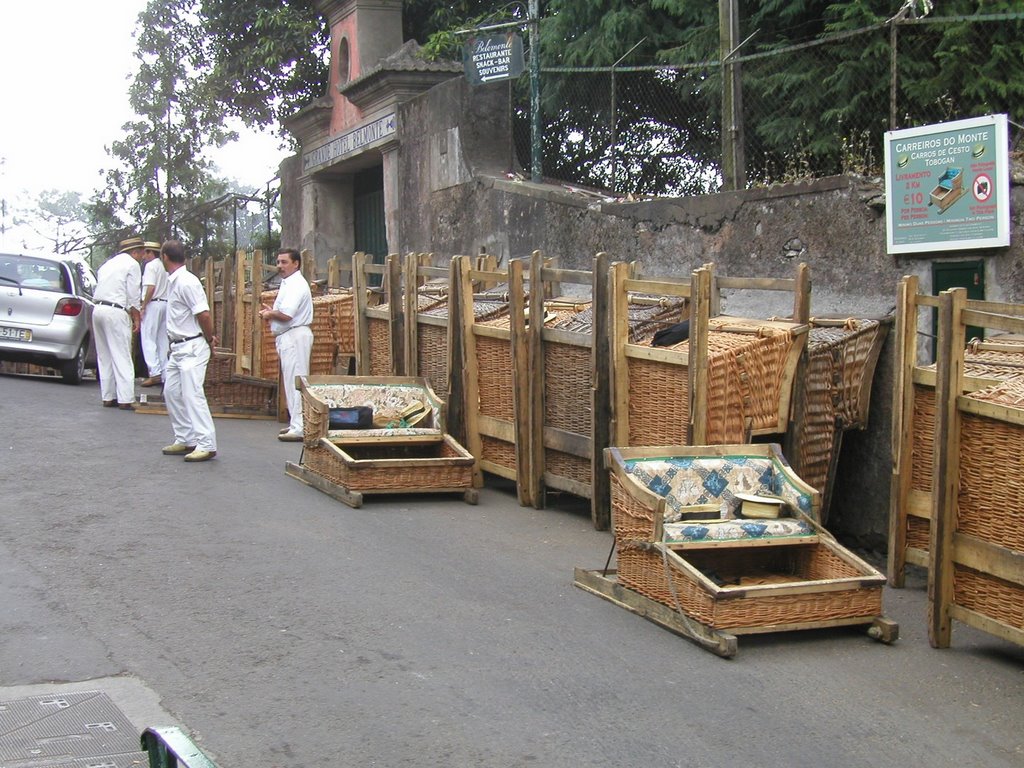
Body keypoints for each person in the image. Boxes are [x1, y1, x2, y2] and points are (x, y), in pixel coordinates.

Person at [160, 239, 218, 462]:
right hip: (178, 346)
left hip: (192, 345)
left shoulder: (186, 282)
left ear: (165, 257)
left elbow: (203, 314)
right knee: (172, 392)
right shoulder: (174, 281)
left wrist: (209, 337)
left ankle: (206, 443)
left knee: (192, 395)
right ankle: (186, 438)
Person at [259, 248, 313, 442]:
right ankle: (295, 422)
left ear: (296, 263)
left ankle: (300, 426)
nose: (280, 266)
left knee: (295, 380)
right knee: (290, 380)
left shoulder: (297, 284)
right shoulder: (288, 283)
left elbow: (288, 314)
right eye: (278, 262)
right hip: (288, 335)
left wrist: (270, 314)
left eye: (284, 262)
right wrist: (272, 311)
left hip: (294, 334)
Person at [92, 236, 144, 409]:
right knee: (122, 354)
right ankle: (126, 398)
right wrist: (137, 317)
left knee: (104, 355)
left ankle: (108, 396)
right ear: (135, 252)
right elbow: (133, 294)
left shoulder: (107, 265)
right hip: (116, 310)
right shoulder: (132, 264)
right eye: (141, 253)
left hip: (98, 308)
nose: (142, 257)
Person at [139, 240, 169, 387]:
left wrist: (143, 305)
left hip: (153, 304)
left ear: (150, 252)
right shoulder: (165, 267)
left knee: (148, 337)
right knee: (162, 340)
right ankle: (165, 373)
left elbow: (150, 288)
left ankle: (154, 372)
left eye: (145, 252)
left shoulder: (151, 266)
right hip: (165, 303)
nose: (143, 256)